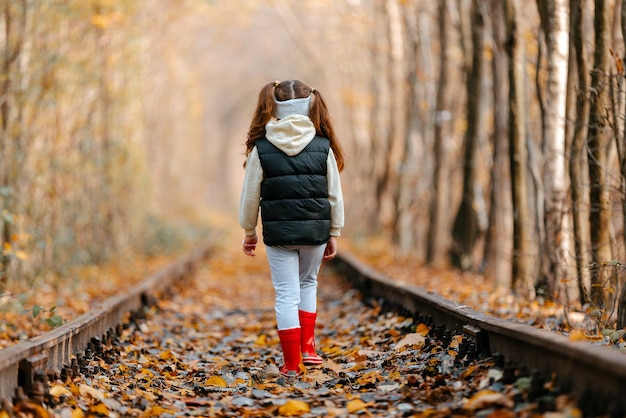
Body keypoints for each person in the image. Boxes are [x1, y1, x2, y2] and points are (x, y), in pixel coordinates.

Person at [239, 80, 345, 377]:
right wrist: (334, 231)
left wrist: (249, 230)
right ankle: (309, 349)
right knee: (308, 284)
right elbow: (334, 194)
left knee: (286, 294)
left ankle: (290, 363)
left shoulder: (262, 147)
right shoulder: (322, 146)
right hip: (315, 231)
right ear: (310, 105)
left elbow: (250, 194)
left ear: (274, 106)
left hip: (278, 234)